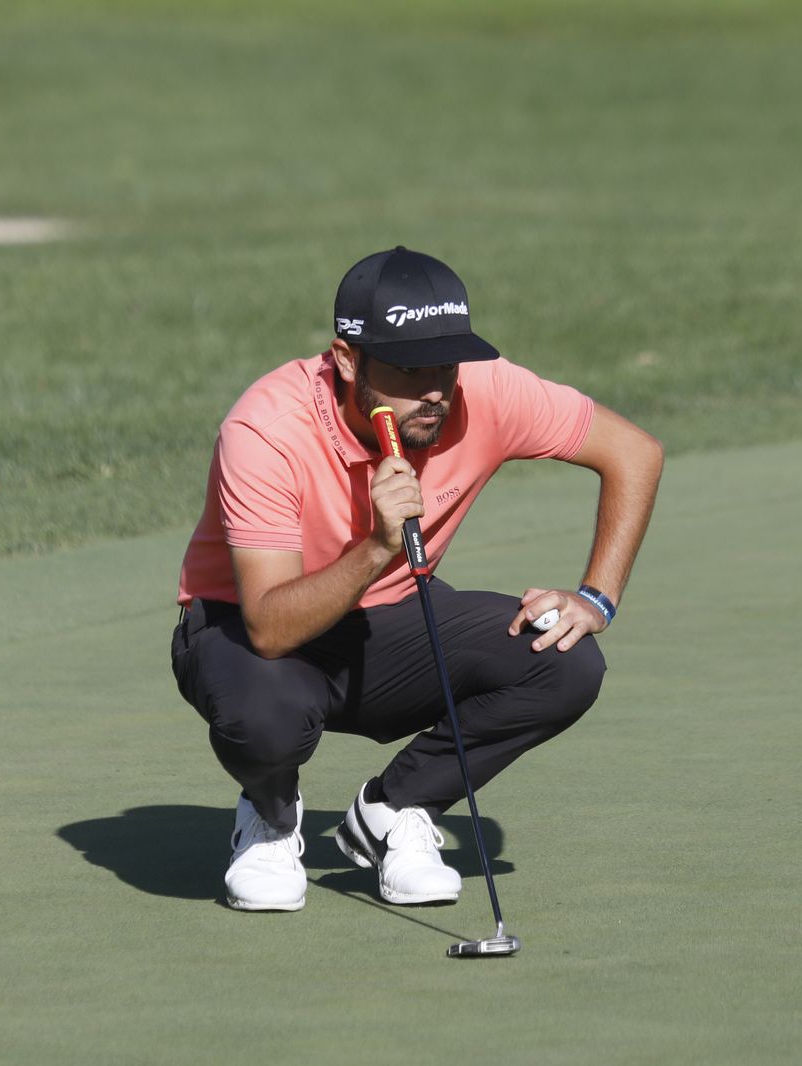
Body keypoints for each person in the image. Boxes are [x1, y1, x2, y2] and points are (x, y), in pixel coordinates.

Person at [171, 246, 663, 911]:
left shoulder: (484, 392)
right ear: (347, 360)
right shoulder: (265, 429)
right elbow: (268, 626)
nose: (435, 390)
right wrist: (377, 546)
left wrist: (596, 598)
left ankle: (397, 810)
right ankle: (270, 814)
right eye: (408, 369)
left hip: (390, 621)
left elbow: (634, 451)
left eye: (446, 363)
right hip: (247, 630)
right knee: (267, 719)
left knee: (564, 664)